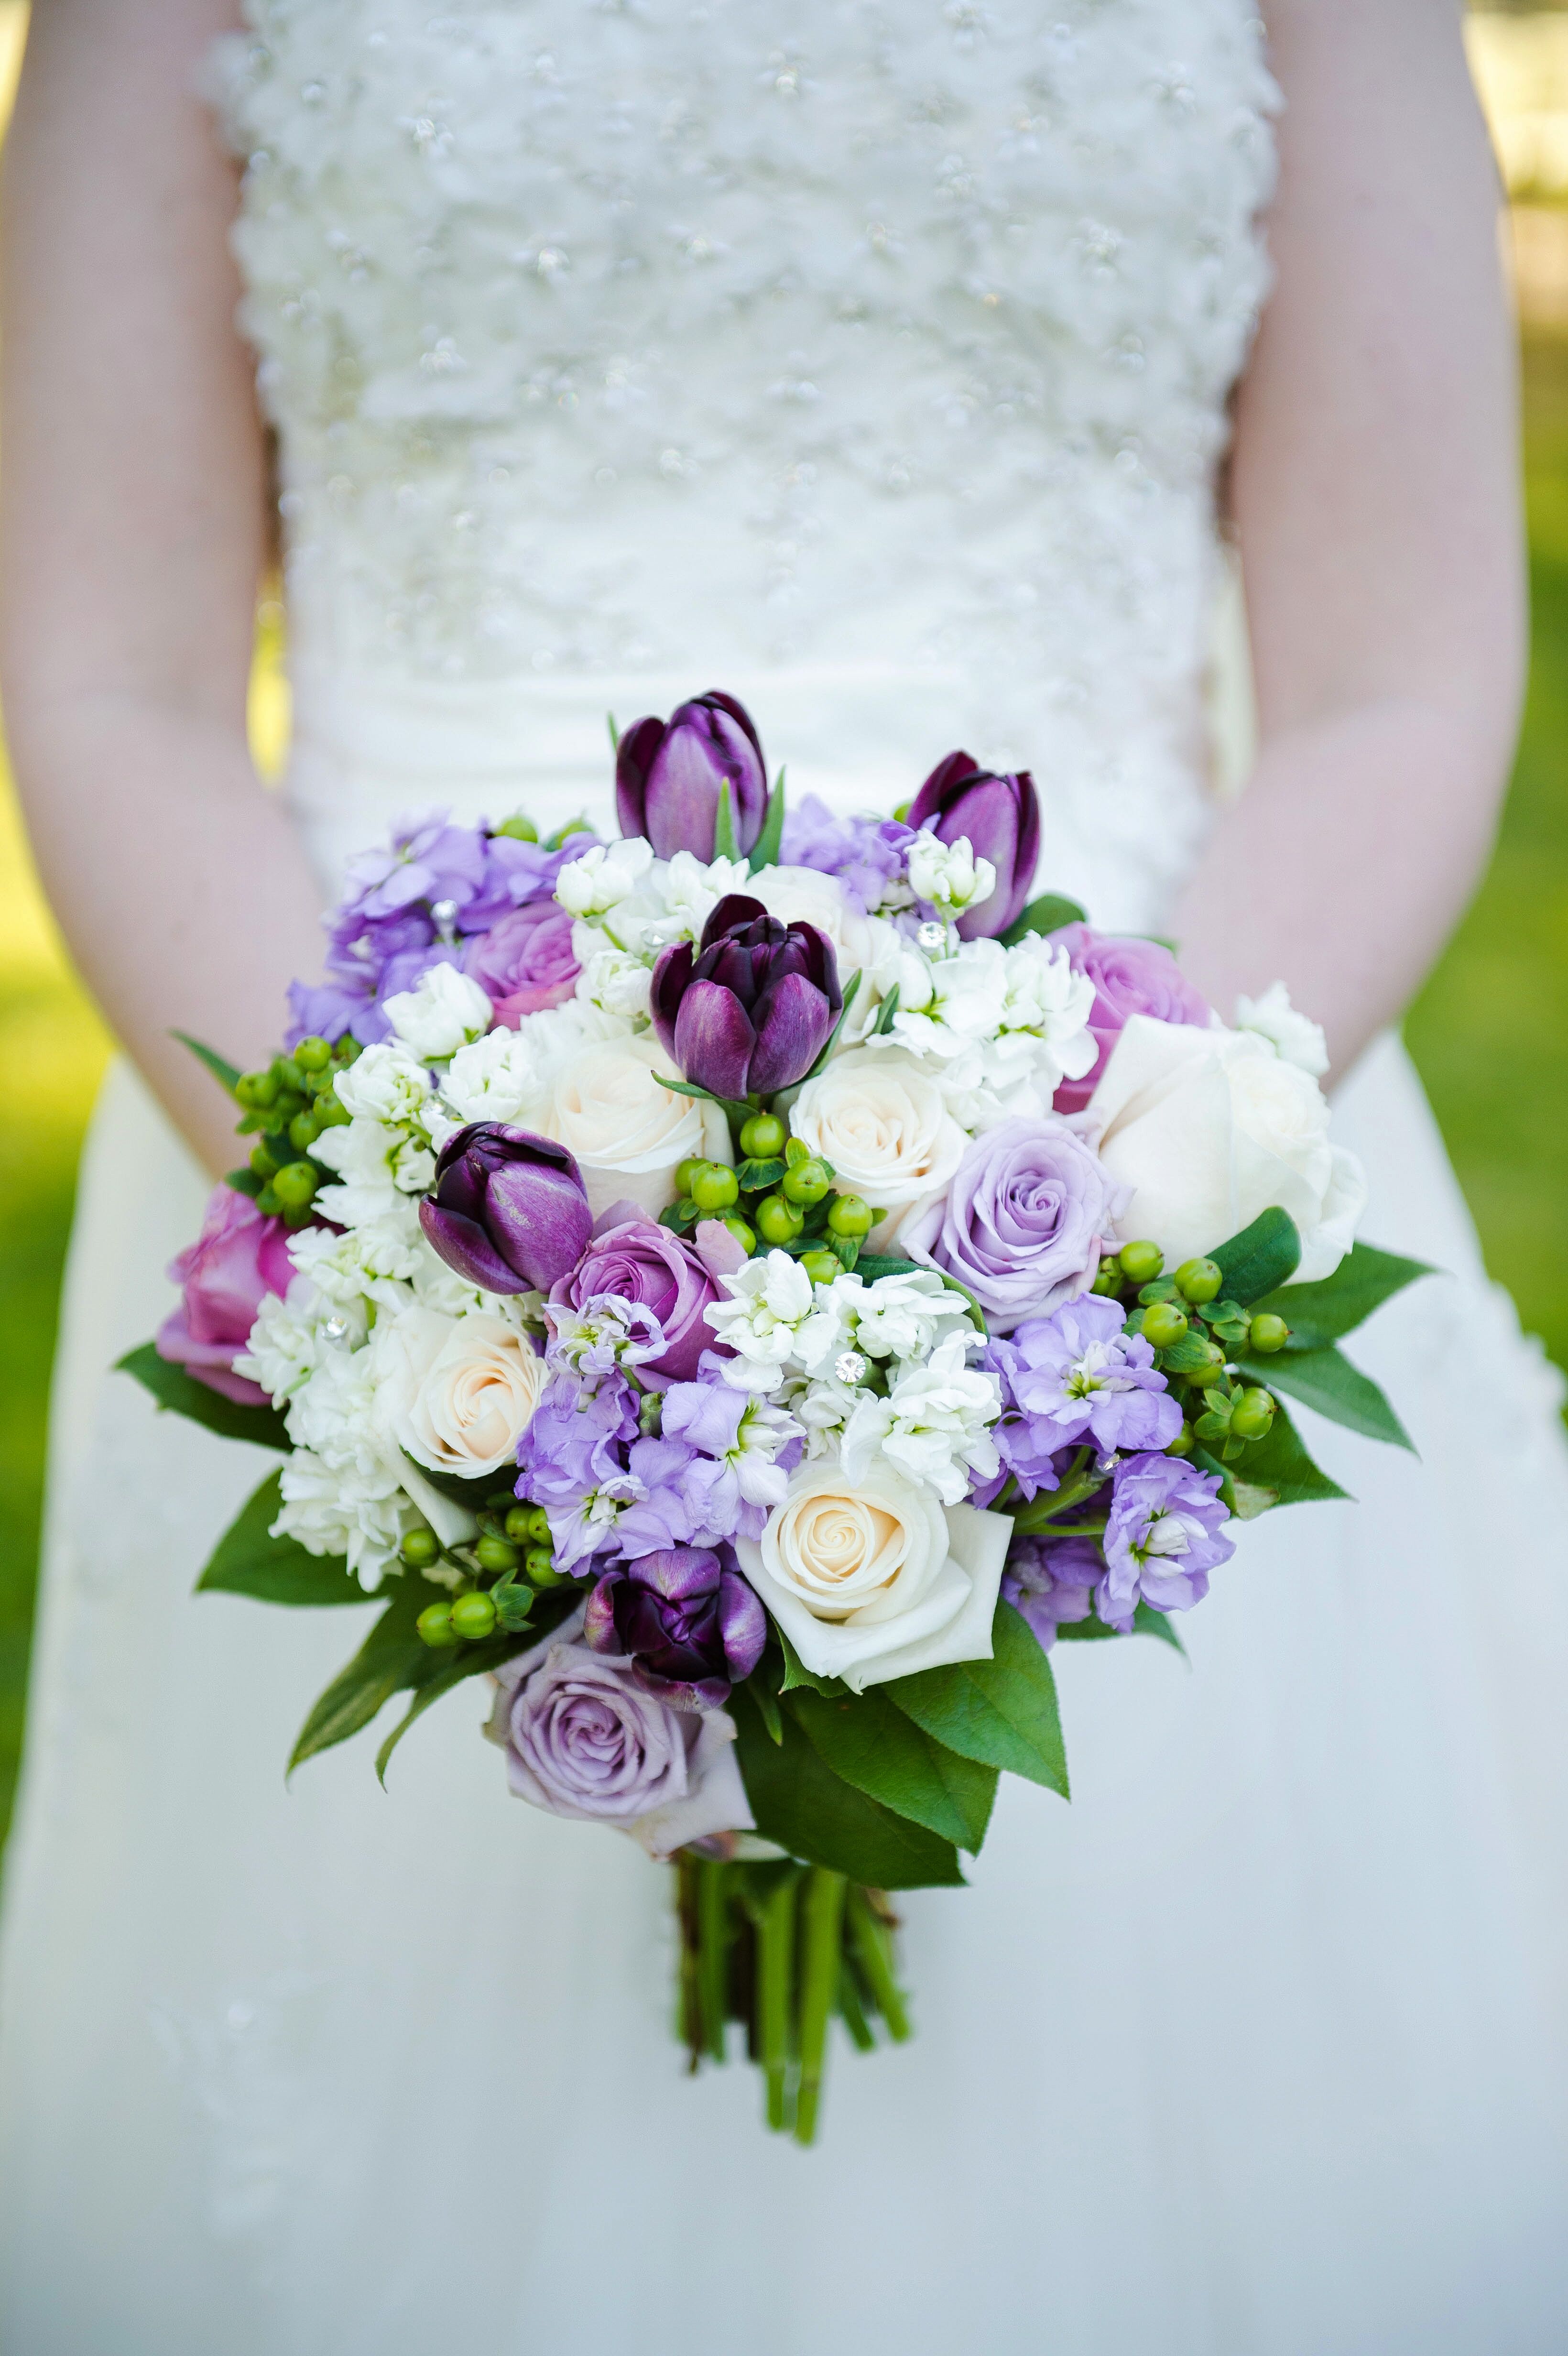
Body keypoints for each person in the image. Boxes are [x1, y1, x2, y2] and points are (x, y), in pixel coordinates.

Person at [2, 2, 1565, 2350]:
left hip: (1138, 1113)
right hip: (372, 1101)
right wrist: (419, 1241)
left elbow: (1396, 677)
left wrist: (1058, 1266)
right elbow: (105, 674)